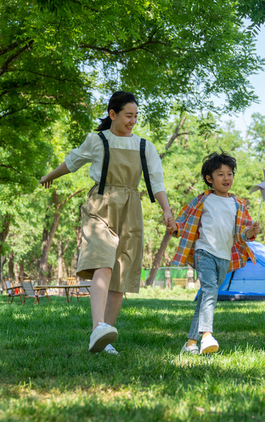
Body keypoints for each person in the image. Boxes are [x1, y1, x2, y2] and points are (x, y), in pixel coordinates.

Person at [40, 91, 174, 354]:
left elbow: (157, 182)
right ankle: (97, 327)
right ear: (113, 114)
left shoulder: (145, 146)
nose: (133, 120)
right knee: (102, 261)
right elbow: (72, 162)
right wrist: (49, 176)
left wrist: (166, 211)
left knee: (120, 274)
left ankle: (104, 339)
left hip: (131, 208)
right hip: (101, 204)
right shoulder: (97, 140)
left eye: (135, 116)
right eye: (128, 115)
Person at [167, 152, 261, 355]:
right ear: (209, 179)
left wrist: (250, 232)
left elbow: (241, 234)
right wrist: (173, 226)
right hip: (204, 252)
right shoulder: (202, 200)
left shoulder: (238, 203)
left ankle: (190, 343)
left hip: (224, 258)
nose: (226, 178)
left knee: (205, 298)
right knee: (209, 291)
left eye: (229, 173)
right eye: (220, 174)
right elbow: (183, 222)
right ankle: (207, 336)